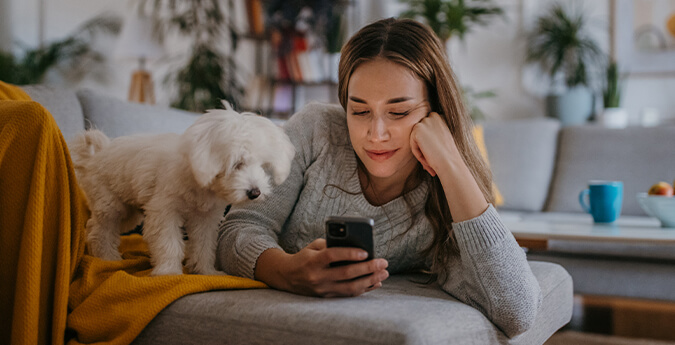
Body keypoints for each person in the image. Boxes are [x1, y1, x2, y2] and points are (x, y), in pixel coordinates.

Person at [217, 18, 542, 337]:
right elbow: (237, 228)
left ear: (435, 111)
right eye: (359, 111)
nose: (376, 134)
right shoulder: (316, 130)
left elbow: (518, 309)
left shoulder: (440, 202)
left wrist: (452, 163)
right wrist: (286, 271)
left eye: (398, 112)